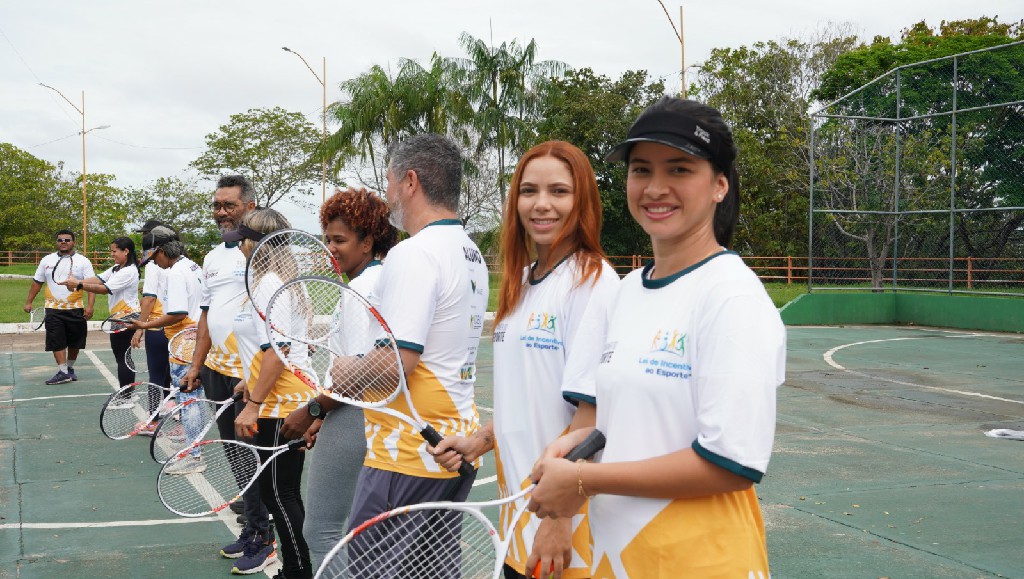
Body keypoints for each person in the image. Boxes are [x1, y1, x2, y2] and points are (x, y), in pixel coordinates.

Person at [526, 97, 786, 578]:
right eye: (641, 169)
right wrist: (568, 449)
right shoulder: (623, 293)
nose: (655, 188)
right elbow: (613, 421)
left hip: (701, 561)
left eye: (680, 169)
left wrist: (583, 479)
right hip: (621, 558)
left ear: (719, 185)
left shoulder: (731, 296)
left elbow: (730, 461)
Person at [431, 141, 619, 579]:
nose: (541, 205)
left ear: (583, 201)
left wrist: (558, 521)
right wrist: (480, 440)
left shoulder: (594, 281)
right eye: (529, 190)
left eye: (559, 191)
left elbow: (590, 421)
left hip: (568, 525)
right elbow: (531, 395)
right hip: (519, 512)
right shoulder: (519, 282)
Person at [279, 187, 398, 567]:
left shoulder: (361, 289)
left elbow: (359, 375)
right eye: (327, 238)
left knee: (322, 531)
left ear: (368, 242)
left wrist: (312, 410)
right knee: (363, 533)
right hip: (372, 418)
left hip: (356, 414)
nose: (330, 247)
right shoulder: (383, 281)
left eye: (340, 240)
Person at [180, 175, 274, 569]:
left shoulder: (261, 253)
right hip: (217, 370)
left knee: (256, 457)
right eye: (216, 205)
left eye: (229, 205)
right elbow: (205, 317)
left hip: (250, 375)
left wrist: (252, 381)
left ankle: (267, 537)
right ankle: (252, 527)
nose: (221, 212)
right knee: (236, 456)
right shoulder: (214, 258)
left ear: (249, 206)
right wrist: (197, 364)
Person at [227, 208, 316, 579]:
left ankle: (298, 572)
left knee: (280, 494)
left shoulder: (270, 283)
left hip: (283, 400)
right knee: (278, 493)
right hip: (281, 393)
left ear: (255, 242)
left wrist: (253, 405)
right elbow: (282, 346)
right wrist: (251, 380)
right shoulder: (282, 280)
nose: (240, 250)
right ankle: (296, 569)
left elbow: (277, 352)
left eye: (243, 242)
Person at [127, 227, 205, 447]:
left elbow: (177, 313)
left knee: (188, 400)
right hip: (195, 337)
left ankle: (192, 452)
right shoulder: (192, 266)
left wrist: (145, 324)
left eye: (154, 257)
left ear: (161, 250)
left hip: (183, 342)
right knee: (194, 399)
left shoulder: (175, 273)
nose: (154, 263)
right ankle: (191, 440)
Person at [62, 236, 141, 387]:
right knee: (122, 357)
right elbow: (98, 280)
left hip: (127, 317)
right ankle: (126, 394)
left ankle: (127, 396)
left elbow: (105, 289)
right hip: (119, 317)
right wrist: (74, 282)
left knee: (123, 358)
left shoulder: (128, 271)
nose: (112, 254)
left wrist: (78, 285)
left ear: (126, 251)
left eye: (114, 251)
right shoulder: (117, 268)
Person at [23, 229, 96, 385]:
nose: (63, 242)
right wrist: (29, 301)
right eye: (60, 240)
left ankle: (69, 369)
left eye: (67, 240)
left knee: (75, 342)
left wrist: (90, 306)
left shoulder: (83, 261)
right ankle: (63, 371)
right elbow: (37, 282)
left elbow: (90, 285)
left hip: (76, 309)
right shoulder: (46, 260)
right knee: (57, 341)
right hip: (53, 309)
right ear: (56, 242)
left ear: (73, 242)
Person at [131, 219, 172, 395]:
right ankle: (174, 410)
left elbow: (149, 299)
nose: (144, 237)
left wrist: (139, 329)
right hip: (179, 325)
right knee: (173, 374)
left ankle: (153, 418)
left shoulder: (153, 264)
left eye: (146, 234)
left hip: (158, 325)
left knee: (155, 375)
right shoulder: (184, 264)